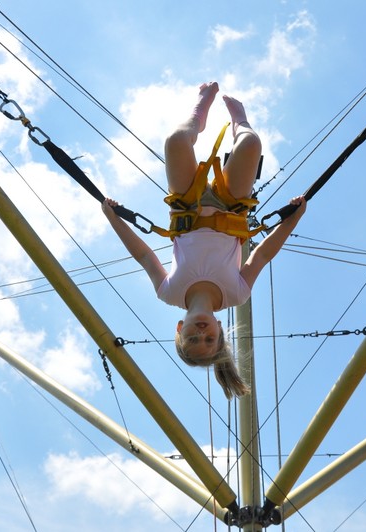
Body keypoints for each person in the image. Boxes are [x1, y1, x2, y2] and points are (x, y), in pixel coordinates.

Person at [102, 81, 306, 398]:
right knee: (250, 144)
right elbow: (262, 256)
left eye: (193, 339)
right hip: (232, 208)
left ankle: (201, 107)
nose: (201, 333)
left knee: (175, 140)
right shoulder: (236, 294)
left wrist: (114, 218)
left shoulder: (169, 292)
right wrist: (293, 219)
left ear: (179, 329)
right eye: (209, 339)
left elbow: (144, 256)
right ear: (220, 330)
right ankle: (240, 119)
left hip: (187, 205)